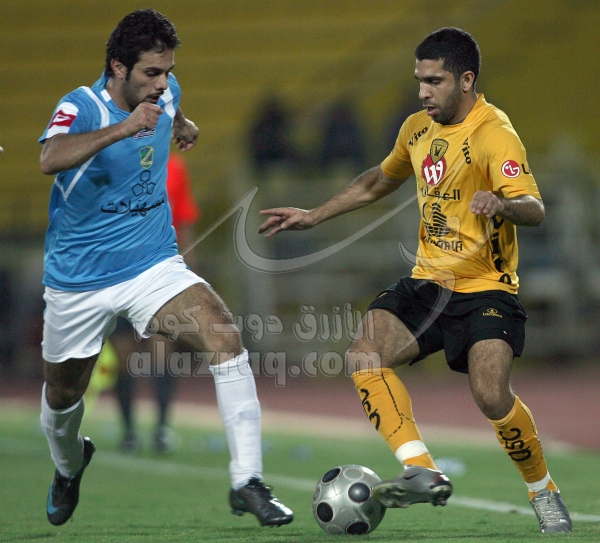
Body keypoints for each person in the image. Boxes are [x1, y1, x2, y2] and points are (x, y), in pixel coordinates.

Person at [259, 27, 571, 534]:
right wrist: (314, 215)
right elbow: (378, 180)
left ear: (466, 80)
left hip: (486, 288)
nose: (423, 92)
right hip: (428, 282)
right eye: (420, 80)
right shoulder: (416, 129)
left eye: (435, 81)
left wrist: (502, 204)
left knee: (492, 396)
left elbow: (533, 207)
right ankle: (421, 469)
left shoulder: (495, 134)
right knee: (364, 355)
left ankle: (542, 490)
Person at [38, 9, 293, 528]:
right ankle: (68, 466)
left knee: (225, 338)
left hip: (150, 263)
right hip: (77, 279)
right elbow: (49, 158)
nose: (162, 82)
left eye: (167, 72)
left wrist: (181, 124)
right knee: (63, 397)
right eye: (151, 73)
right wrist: (123, 128)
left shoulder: (166, 92)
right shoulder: (80, 105)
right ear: (118, 67)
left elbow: (168, 108)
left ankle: (247, 481)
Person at [111, 152, 201, 454]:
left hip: (162, 271)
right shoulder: (116, 161)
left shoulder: (174, 167)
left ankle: (162, 428)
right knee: (124, 355)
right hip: (123, 272)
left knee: (162, 350)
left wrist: (190, 274)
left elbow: (184, 221)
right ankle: (129, 431)